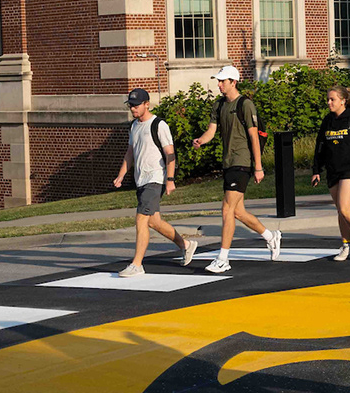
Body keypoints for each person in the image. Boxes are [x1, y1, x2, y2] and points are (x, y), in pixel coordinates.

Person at [190, 66, 281, 273]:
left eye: (223, 81)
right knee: (238, 212)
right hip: (228, 162)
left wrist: (258, 167)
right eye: (218, 80)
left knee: (227, 209)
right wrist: (201, 141)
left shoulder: (246, 105)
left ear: (234, 82)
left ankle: (223, 258)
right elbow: (212, 131)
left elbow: (254, 137)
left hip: (243, 161)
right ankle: (271, 236)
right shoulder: (219, 105)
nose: (219, 84)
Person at [111, 89, 200, 277]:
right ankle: (186, 244)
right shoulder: (134, 126)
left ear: (146, 104)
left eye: (136, 105)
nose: (133, 109)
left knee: (141, 219)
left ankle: (137, 264)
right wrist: (121, 175)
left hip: (155, 178)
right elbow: (130, 153)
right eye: (131, 105)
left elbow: (170, 153)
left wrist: (170, 179)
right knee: (154, 221)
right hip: (141, 179)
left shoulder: (159, 125)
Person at [311, 85, 350, 261]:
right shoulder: (327, 121)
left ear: (343, 101)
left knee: (345, 208)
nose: (329, 103)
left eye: (333, 99)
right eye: (328, 99)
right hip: (333, 170)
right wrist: (316, 170)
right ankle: (345, 245)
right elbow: (320, 147)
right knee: (340, 211)